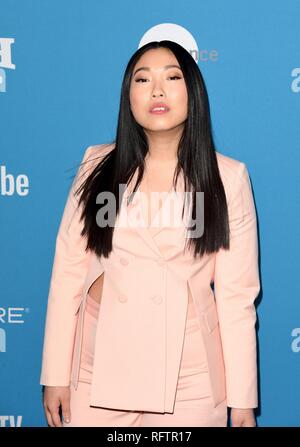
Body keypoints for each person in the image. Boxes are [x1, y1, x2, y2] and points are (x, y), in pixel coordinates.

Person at [40, 40, 260, 427]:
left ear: (193, 92)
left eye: (172, 77)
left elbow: (236, 296)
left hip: (188, 379)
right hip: (98, 371)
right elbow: (68, 273)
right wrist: (55, 373)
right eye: (143, 80)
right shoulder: (97, 165)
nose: (157, 90)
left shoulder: (226, 177)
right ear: (129, 98)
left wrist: (241, 400)